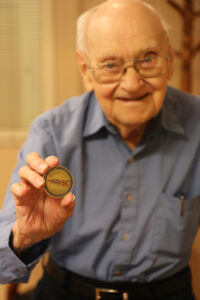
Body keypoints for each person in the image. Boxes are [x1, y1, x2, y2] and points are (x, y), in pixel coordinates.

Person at [0, 0, 199, 299]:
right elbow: (3, 266)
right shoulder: (51, 131)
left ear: (169, 58)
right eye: (110, 65)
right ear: (86, 69)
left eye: (148, 58)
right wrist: (25, 237)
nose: (132, 84)